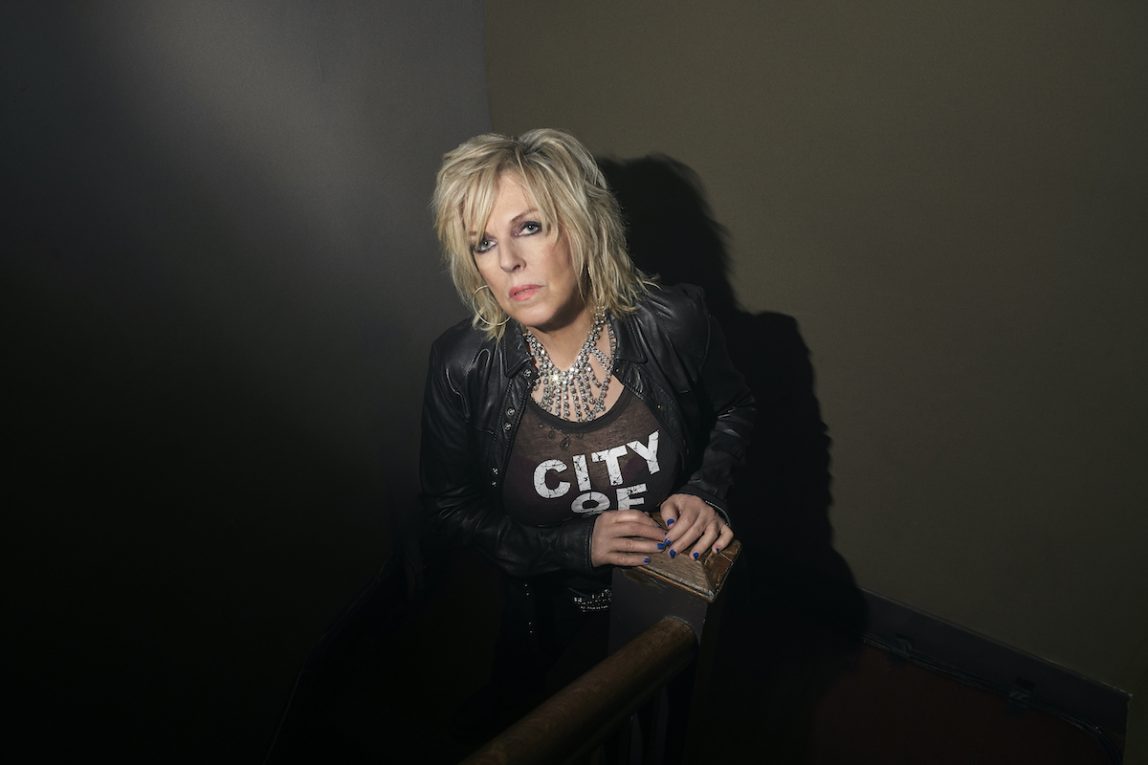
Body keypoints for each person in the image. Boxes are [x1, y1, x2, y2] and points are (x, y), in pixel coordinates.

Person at [420, 128, 754, 740]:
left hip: (663, 597)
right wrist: (576, 545)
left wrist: (705, 490)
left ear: (583, 225)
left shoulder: (672, 324)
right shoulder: (462, 365)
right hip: (538, 611)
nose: (507, 261)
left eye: (529, 227)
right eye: (483, 243)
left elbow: (735, 409)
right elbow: (449, 509)